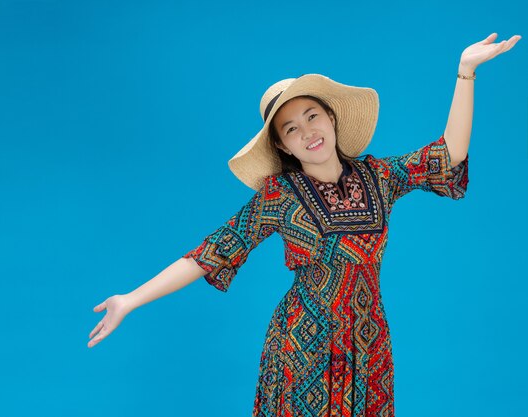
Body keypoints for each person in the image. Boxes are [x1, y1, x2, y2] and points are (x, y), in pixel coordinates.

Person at [88, 33, 521, 416]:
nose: (307, 131)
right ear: (283, 144)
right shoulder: (279, 196)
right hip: (301, 346)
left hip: (368, 345)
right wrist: (130, 299)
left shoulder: (380, 176)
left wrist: (465, 74)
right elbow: (210, 254)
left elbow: (449, 156)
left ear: (330, 117)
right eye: (291, 128)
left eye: (312, 116)